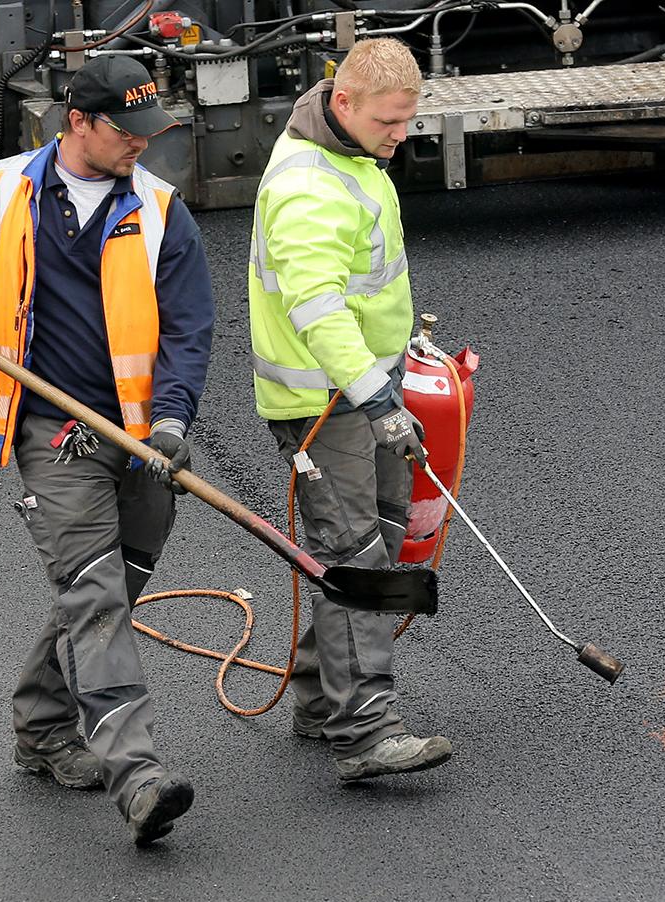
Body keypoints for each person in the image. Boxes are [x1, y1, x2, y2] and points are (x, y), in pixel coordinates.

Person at [0, 56, 213, 846]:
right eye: (127, 133)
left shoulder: (163, 212)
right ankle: (138, 775)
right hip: (55, 437)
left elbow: (189, 332)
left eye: (148, 132)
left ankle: (42, 725)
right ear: (77, 122)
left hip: (142, 442)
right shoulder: (0, 192)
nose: (142, 146)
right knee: (93, 596)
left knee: (111, 586)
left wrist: (170, 424)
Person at [246, 39, 454, 781]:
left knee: (378, 537)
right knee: (357, 558)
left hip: (366, 391)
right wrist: (375, 396)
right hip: (324, 404)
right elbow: (318, 305)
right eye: (390, 121)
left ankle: (319, 698)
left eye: (408, 119)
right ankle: (365, 731)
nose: (402, 134)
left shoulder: (353, 156)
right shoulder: (309, 186)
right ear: (344, 103)